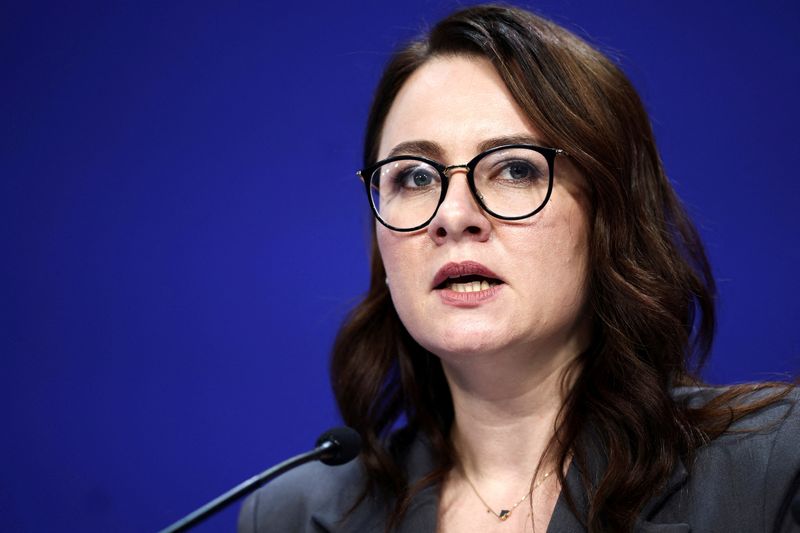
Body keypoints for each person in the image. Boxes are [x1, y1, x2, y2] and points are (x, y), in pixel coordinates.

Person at [239, 4, 800, 532]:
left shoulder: (772, 473)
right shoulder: (292, 514)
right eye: (413, 176)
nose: (454, 217)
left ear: (609, 217)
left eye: (513, 169)